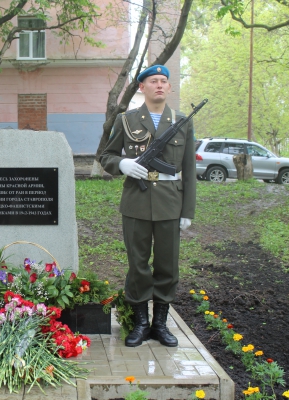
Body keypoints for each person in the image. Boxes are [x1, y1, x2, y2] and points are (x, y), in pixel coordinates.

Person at [100, 64, 196, 347]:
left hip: (170, 203)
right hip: (136, 203)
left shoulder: (182, 121)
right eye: (153, 81)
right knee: (138, 265)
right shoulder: (127, 120)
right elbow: (106, 156)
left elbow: (189, 169)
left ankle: (160, 324)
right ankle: (141, 323)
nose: (159, 85)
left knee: (168, 265)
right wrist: (123, 164)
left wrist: (187, 210)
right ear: (141, 87)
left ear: (169, 88)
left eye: (163, 81)